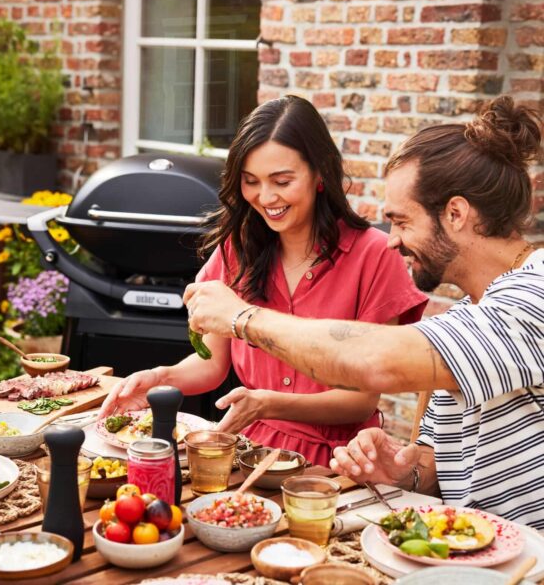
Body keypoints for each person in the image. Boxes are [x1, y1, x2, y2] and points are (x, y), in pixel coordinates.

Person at [183, 95, 544, 530]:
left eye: (402, 221)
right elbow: (446, 471)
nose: (392, 240)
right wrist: (402, 471)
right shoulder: (475, 312)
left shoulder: (533, 296)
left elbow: (375, 362)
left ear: (455, 214)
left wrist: (243, 318)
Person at [100, 95, 426, 466]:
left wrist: (269, 404)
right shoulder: (236, 251)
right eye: (251, 181)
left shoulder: (376, 255)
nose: (266, 197)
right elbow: (211, 364)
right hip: (249, 455)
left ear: (320, 173)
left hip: (340, 464)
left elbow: (360, 400)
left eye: (282, 181)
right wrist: (159, 379)